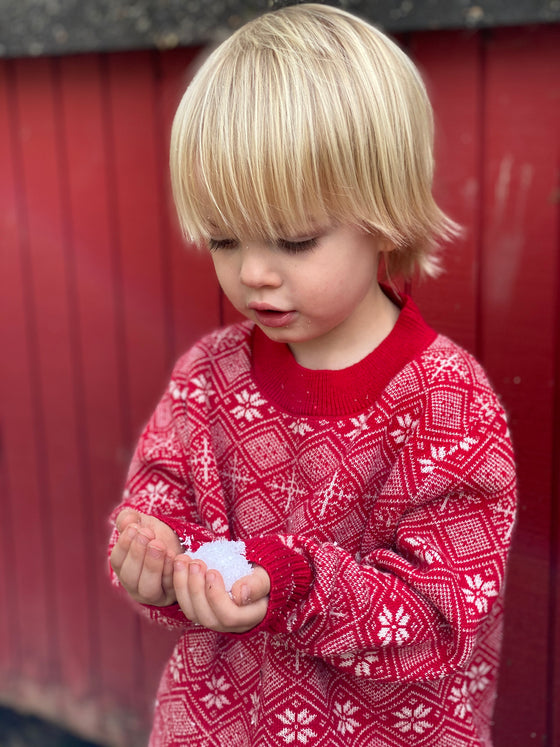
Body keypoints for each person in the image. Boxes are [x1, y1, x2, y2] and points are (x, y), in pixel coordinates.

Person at [108, 4, 517, 745]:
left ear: (385, 218)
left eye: (294, 240)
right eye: (225, 238)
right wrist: (156, 562)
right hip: (220, 723)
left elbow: (439, 612)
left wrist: (294, 579)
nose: (254, 273)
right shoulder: (210, 377)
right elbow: (161, 495)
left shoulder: (446, 402)